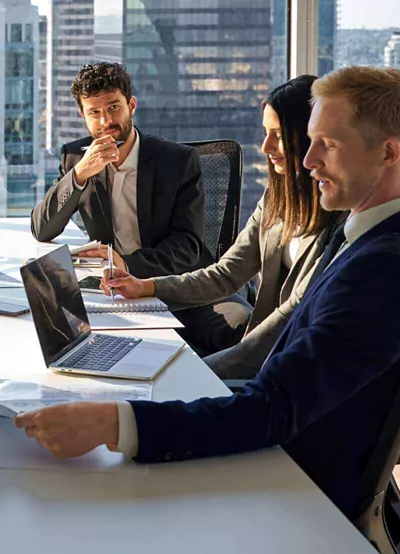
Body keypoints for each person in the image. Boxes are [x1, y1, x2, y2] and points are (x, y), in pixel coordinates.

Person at [15, 66, 400, 517]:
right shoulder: (383, 237)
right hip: (274, 449)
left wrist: (118, 420)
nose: (306, 161)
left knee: (81, 500)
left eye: (329, 144)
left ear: (388, 153)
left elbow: (270, 411)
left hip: (290, 489)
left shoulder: (379, 269)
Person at [101, 75, 347, 380]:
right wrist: (148, 286)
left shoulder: (342, 219)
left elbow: (289, 320)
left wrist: (195, 375)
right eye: (265, 133)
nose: (266, 146)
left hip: (288, 368)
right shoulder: (277, 197)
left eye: (278, 135)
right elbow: (227, 274)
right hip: (260, 351)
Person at [30, 61, 250, 356]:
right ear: (82, 116)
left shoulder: (177, 161)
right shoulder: (75, 157)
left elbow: (188, 247)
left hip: (172, 287)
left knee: (227, 336)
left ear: (131, 105)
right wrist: (80, 174)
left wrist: (128, 265)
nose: (106, 120)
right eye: (94, 112)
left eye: (113, 107)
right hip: (112, 294)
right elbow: (43, 228)